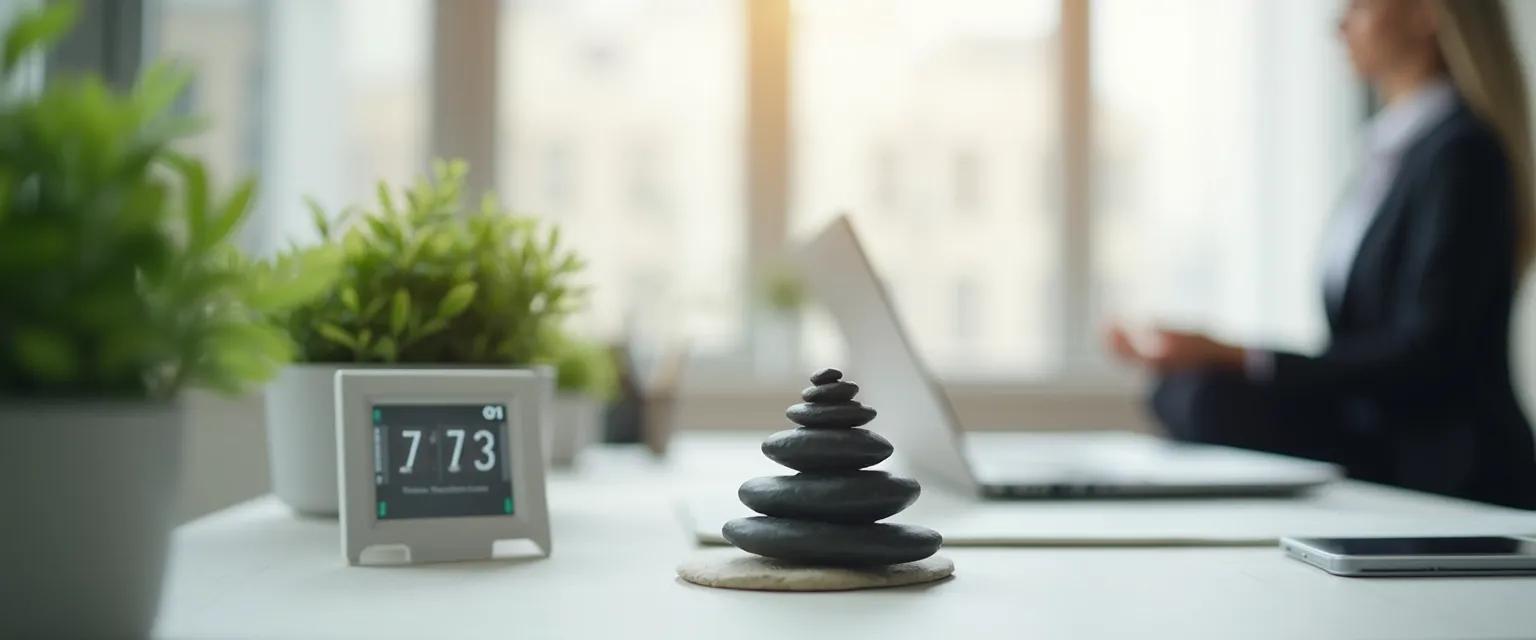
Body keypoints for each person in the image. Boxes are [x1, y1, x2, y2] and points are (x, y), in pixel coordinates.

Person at [1107, 0, 1536, 509]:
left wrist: (1240, 356)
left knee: (1207, 398)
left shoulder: (1463, 153)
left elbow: (1426, 355)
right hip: (1378, 428)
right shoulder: (1391, 152)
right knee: (1183, 390)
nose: (1339, 23)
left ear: (1425, 13)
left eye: (1359, 5)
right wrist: (1227, 359)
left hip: (1444, 455)